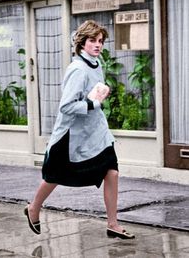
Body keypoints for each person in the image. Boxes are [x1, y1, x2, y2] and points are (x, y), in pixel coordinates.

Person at [24, 20, 135, 239]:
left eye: (100, 41)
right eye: (92, 41)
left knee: (112, 172)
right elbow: (66, 106)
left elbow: (91, 94)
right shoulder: (77, 69)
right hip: (71, 136)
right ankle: (34, 208)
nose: (98, 45)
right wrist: (93, 103)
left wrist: (100, 94)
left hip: (96, 133)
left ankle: (112, 224)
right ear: (82, 43)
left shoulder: (97, 62)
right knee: (54, 176)